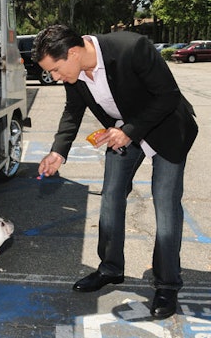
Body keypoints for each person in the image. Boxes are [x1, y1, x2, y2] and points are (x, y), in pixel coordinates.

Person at [32, 25, 198, 319]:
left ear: (73, 52)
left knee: (165, 205)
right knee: (110, 197)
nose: (56, 78)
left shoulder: (132, 48)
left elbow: (168, 96)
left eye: (56, 70)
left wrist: (131, 131)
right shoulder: (75, 73)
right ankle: (110, 268)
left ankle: (167, 285)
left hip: (167, 129)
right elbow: (73, 111)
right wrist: (58, 151)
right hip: (123, 132)